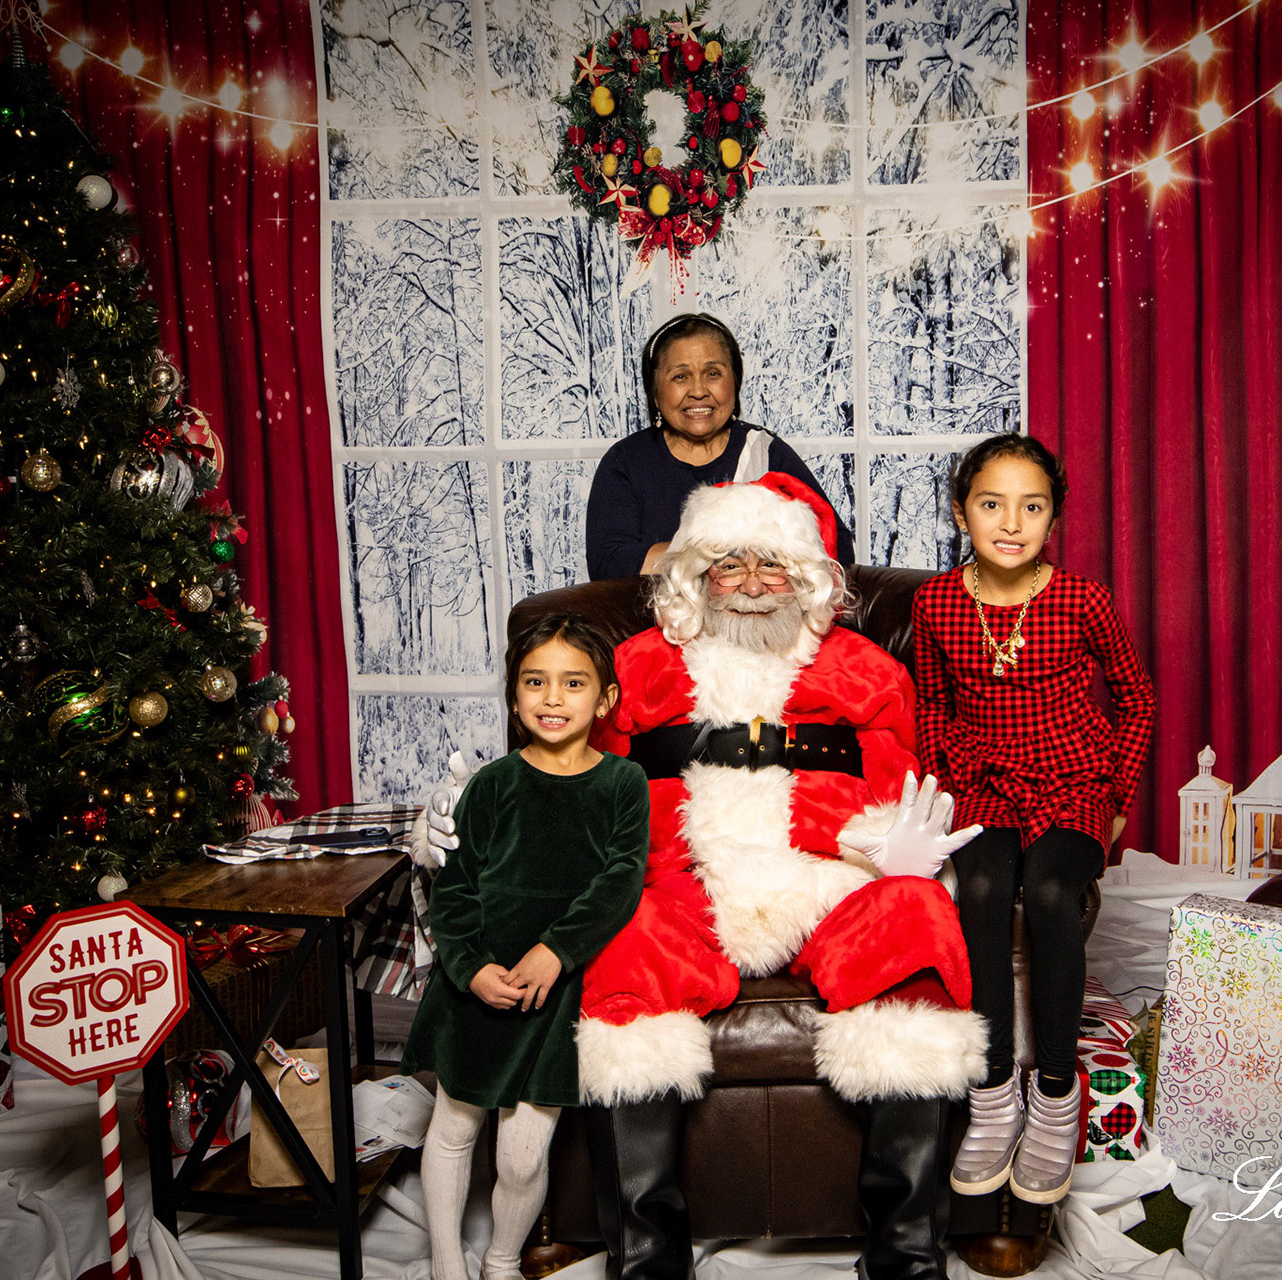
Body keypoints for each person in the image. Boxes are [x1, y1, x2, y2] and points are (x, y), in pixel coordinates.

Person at [575, 473, 982, 1280]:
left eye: (774, 567)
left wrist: (891, 844)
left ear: (807, 579)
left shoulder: (864, 668)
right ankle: (648, 1257)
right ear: (697, 574)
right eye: (731, 565)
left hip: (830, 877)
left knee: (915, 918)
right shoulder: (638, 665)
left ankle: (904, 1254)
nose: (755, 586)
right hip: (686, 881)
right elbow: (580, 774)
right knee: (625, 942)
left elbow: (896, 779)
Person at [910, 433, 1156, 1206]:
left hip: (1073, 776)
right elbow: (930, 704)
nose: (1012, 523)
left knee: (1050, 894)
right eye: (992, 504)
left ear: (1054, 516)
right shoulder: (936, 602)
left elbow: (1137, 698)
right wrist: (945, 788)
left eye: (1032, 506)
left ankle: (1054, 1093)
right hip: (982, 780)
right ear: (961, 513)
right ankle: (992, 1094)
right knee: (982, 891)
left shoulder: (1083, 598)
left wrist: (1118, 797)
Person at [402, 613, 648, 1280]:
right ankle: (447, 1265)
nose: (552, 697)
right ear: (514, 697)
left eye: (573, 683)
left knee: (521, 1155)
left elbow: (619, 882)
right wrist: (471, 968)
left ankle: (502, 1262)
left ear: (605, 699)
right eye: (535, 682)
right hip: (478, 984)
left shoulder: (623, 784)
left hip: (554, 994)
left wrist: (556, 951)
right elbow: (454, 890)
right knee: (455, 1128)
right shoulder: (492, 785)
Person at [584, 312, 855, 579]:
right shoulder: (625, 462)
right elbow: (610, 565)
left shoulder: (763, 451)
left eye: (713, 374)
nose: (698, 391)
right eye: (680, 377)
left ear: (735, 382)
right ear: (654, 392)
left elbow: (837, 549)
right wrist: (726, 548)